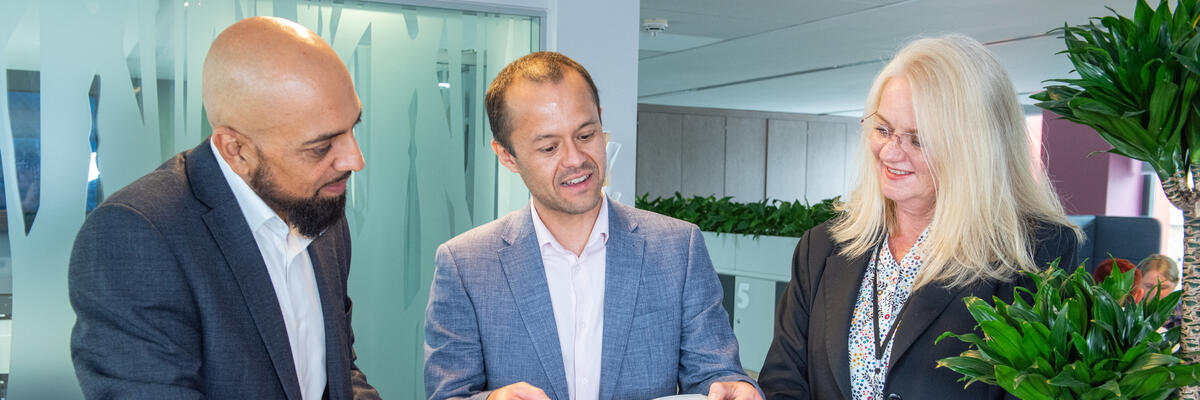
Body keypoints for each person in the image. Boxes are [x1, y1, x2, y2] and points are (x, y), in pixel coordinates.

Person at [69, 16, 380, 399]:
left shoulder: (317, 202)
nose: (354, 159)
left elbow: (336, 372)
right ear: (235, 149)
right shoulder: (136, 235)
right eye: (321, 147)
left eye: (354, 127)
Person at [423, 51, 761, 400]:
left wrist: (737, 389)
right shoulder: (464, 265)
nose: (575, 160)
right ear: (507, 155)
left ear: (600, 122)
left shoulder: (678, 246)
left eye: (586, 135)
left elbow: (717, 374)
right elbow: (448, 394)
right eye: (549, 147)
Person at [758, 34, 1080, 400]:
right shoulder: (822, 247)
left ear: (974, 148)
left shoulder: (1034, 251)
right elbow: (783, 381)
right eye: (883, 129)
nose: (891, 152)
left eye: (918, 139)